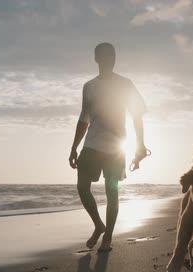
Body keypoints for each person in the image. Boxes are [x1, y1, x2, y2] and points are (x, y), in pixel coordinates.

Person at [68, 42, 147, 252]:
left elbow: (137, 115)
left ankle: (108, 238)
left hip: (115, 148)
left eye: (112, 55)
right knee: (82, 188)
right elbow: (83, 118)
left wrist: (140, 144)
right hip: (91, 146)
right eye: (105, 56)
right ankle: (98, 225)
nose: (109, 59)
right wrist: (74, 147)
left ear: (115, 59)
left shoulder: (125, 84)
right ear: (97, 58)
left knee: (112, 192)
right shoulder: (89, 86)